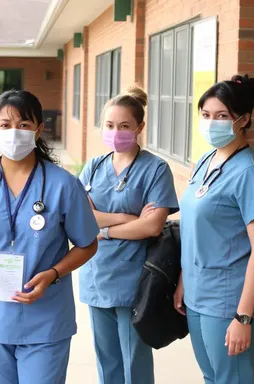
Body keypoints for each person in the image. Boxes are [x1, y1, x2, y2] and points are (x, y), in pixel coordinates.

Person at [0, 89, 99, 384]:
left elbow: (87, 244)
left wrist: (53, 273)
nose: (14, 133)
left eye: (24, 125)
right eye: (5, 125)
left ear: (39, 130)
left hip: (45, 318)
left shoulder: (63, 185)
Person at [174, 74, 254, 384]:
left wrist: (243, 316)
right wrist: (182, 280)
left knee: (233, 379)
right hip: (197, 292)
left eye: (222, 116)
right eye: (206, 115)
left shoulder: (249, 173)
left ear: (242, 120)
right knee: (211, 376)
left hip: (229, 300)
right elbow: (194, 228)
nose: (211, 123)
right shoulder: (205, 160)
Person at [78, 86, 179, 384]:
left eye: (124, 126)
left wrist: (103, 229)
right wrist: (126, 220)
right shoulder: (94, 167)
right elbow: (81, 218)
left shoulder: (155, 169)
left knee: (134, 362)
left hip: (136, 280)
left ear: (139, 127)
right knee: (106, 361)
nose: (115, 132)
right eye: (109, 126)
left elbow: (152, 226)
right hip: (97, 277)